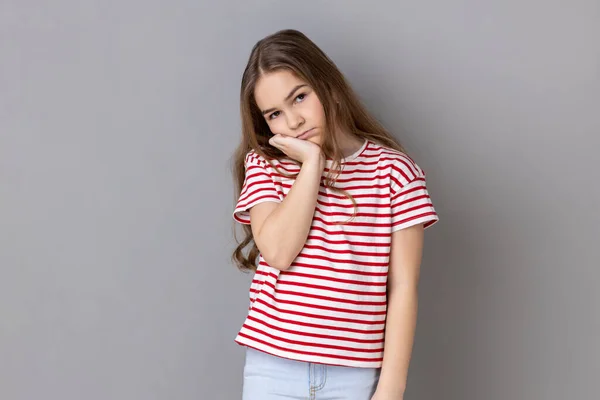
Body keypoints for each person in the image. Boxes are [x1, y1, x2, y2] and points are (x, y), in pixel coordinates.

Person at [230, 29, 439, 400]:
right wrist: (311, 164)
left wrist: (391, 388)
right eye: (275, 114)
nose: (293, 121)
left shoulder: (394, 173)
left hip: (354, 374)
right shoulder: (264, 165)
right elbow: (278, 251)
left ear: (328, 84)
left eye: (300, 97)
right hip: (273, 368)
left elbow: (403, 287)